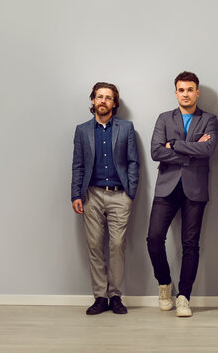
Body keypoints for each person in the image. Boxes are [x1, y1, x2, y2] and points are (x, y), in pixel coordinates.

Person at [147, 71, 218, 317]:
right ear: (175, 92)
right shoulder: (164, 118)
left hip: (195, 189)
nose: (185, 94)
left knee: (190, 245)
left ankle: (184, 297)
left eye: (190, 89)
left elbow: (208, 149)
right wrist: (192, 149)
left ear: (197, 92)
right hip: (166, 186)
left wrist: (175, 144)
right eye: (181, 90)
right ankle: (164, 284)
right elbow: (155, 151)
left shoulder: (209, 119)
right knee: (154, 239)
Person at [71, 82, 139, 315]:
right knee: (94, 247)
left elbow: (133, 162)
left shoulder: (126, 128)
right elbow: (78, 166)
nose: (103, 101)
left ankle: (115, 296)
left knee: (117, 245)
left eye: (108, 97)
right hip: (91, 195)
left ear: (114, 103)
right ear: (93, 101)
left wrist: (131, 193)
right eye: (99, 96)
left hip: (120, 195)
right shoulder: (82, 130)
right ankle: (100, 297)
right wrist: (76, 195)